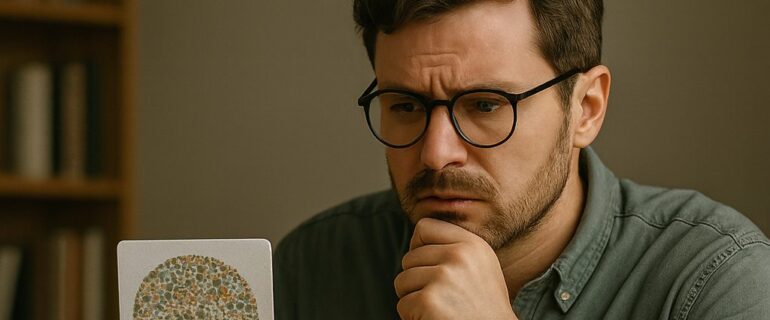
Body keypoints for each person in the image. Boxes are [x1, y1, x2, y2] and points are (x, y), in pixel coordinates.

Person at [273, 0, 770, 319]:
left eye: (487, 105)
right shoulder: (311, 268)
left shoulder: (716, 280)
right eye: (405, 106)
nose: (437, 152)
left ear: (586, 109)